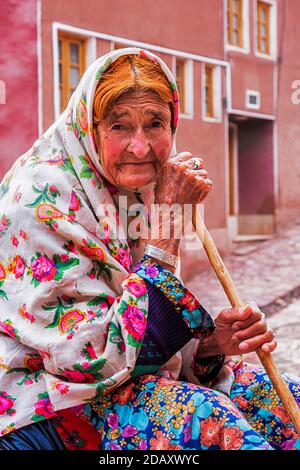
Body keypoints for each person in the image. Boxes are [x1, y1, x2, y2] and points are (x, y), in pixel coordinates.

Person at [0, 47, 299, 451]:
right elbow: (95, 363)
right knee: (207, 421)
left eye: (154, 123)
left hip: (125, 379)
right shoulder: (41, 200)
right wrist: (169, 225)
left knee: (278, 398)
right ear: (90, 127)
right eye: (119, 127)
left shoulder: (130, 192)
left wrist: (210, 345)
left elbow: (138, 316)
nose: (140, 147)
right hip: (50, 402)